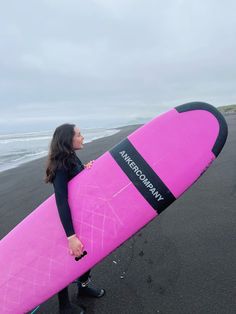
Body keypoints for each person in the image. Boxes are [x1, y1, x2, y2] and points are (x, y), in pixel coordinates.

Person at [45, 123, 105, 314]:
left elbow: (75, 185)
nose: (83, 137)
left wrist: (84, 171)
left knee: (87, 253)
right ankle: (64, 306)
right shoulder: (60, 165)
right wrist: (70, 236)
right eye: (79, 135)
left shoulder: (71, 157)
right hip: (66, 222)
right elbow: (61, 201)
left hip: (80, 217)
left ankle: (84, 286)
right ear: (67, 140)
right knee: (64, 259)